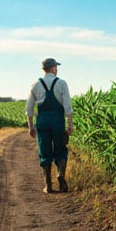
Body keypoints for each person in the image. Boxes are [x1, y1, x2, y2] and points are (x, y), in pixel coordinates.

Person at [26, 58, 73, 194]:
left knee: (44, 151)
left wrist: (30, 126)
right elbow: (68, 106)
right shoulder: (62, 83)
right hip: (58, 120)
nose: (57, 69)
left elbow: (29, 108)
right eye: (56, 67)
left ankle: (48, 186)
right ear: (52, 68)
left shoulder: (35, 84)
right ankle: (61, 175)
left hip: (42, 120)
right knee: (60, 148)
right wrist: (70, 124)